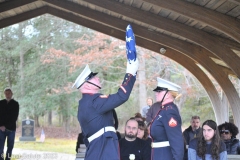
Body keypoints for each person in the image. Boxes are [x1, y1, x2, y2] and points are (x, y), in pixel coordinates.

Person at [72, 24, 139, 160]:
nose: (97, 78)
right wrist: (130, 73)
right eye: (92, 78)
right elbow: (122, 96)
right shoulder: (94, 101)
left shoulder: (84, 104)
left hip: (98, 148)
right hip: (104, 148)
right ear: (86, 86)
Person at [150, 77, 184, 160]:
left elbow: (176, 141)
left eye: (159, 91)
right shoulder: (164, 110)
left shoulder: (169, 112)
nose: (156, 93)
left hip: (165, 155)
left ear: (168, 94)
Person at [0, 88, 19, 160]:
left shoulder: (15, 104)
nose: (7, 95)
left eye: (9, 93)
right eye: (6, 93)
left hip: (11, 129)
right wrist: (1, 126)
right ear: (4, 94)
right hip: (1, 129)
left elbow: (14, 117)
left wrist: (6, 126)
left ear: (11, 94)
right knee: (0, 148)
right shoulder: (1, 103)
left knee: (10, 147)